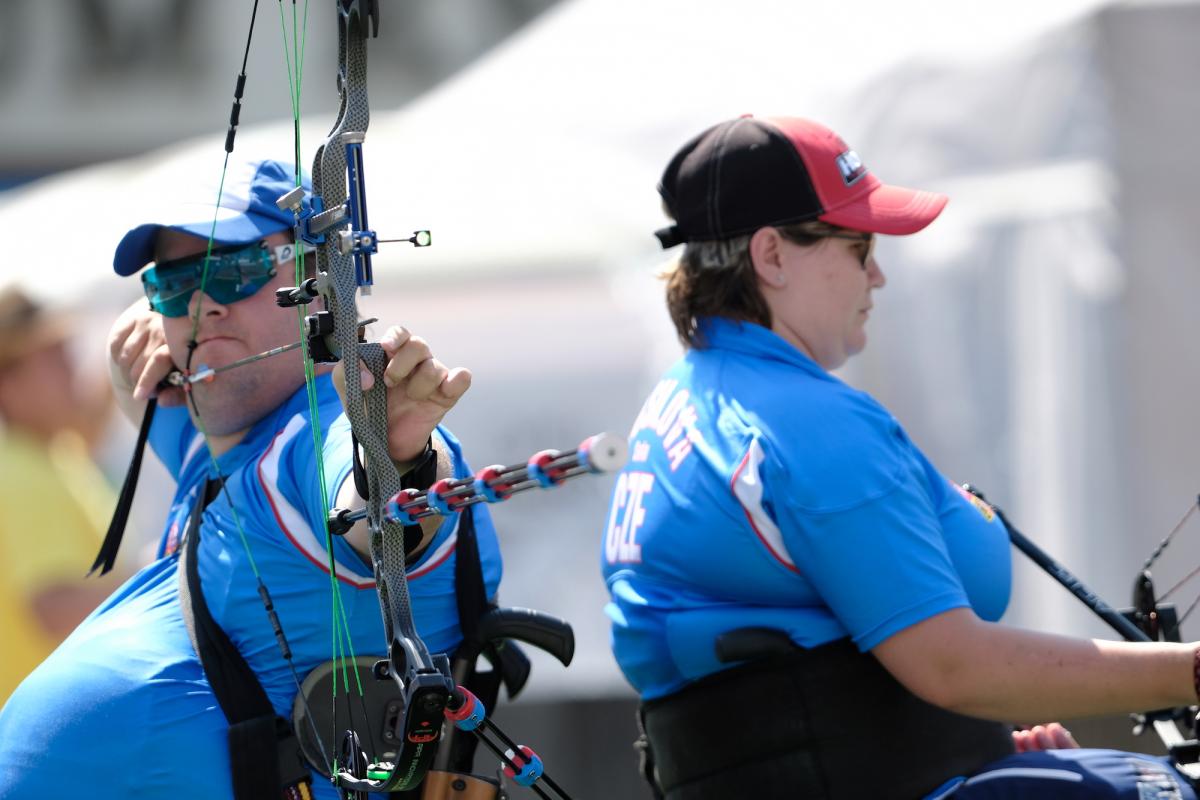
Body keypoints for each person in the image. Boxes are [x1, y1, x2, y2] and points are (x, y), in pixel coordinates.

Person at [601, 115, 1200, 799]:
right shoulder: (802, 421)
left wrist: (973, 745)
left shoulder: (680, 401)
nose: (878, 275)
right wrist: (1191, 671)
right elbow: (954, 669)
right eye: (859, 247)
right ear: (771, 256)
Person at [0, 158, 502, 799]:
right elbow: (139, 375)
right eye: (175, 286)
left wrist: (396, 454)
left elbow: (377, 504)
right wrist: (137, 350)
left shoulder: (317, 436)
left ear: (321, 283)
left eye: (235, 272)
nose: (203, 307)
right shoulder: (223, 443)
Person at [0, 286, 123, 704]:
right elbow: (54, 605)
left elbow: (90, 423)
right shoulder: (18, 473)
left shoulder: (51, 453)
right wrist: (166, 579)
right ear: (7, 385)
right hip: (59, 739)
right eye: (50, 356)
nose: (71, 364)